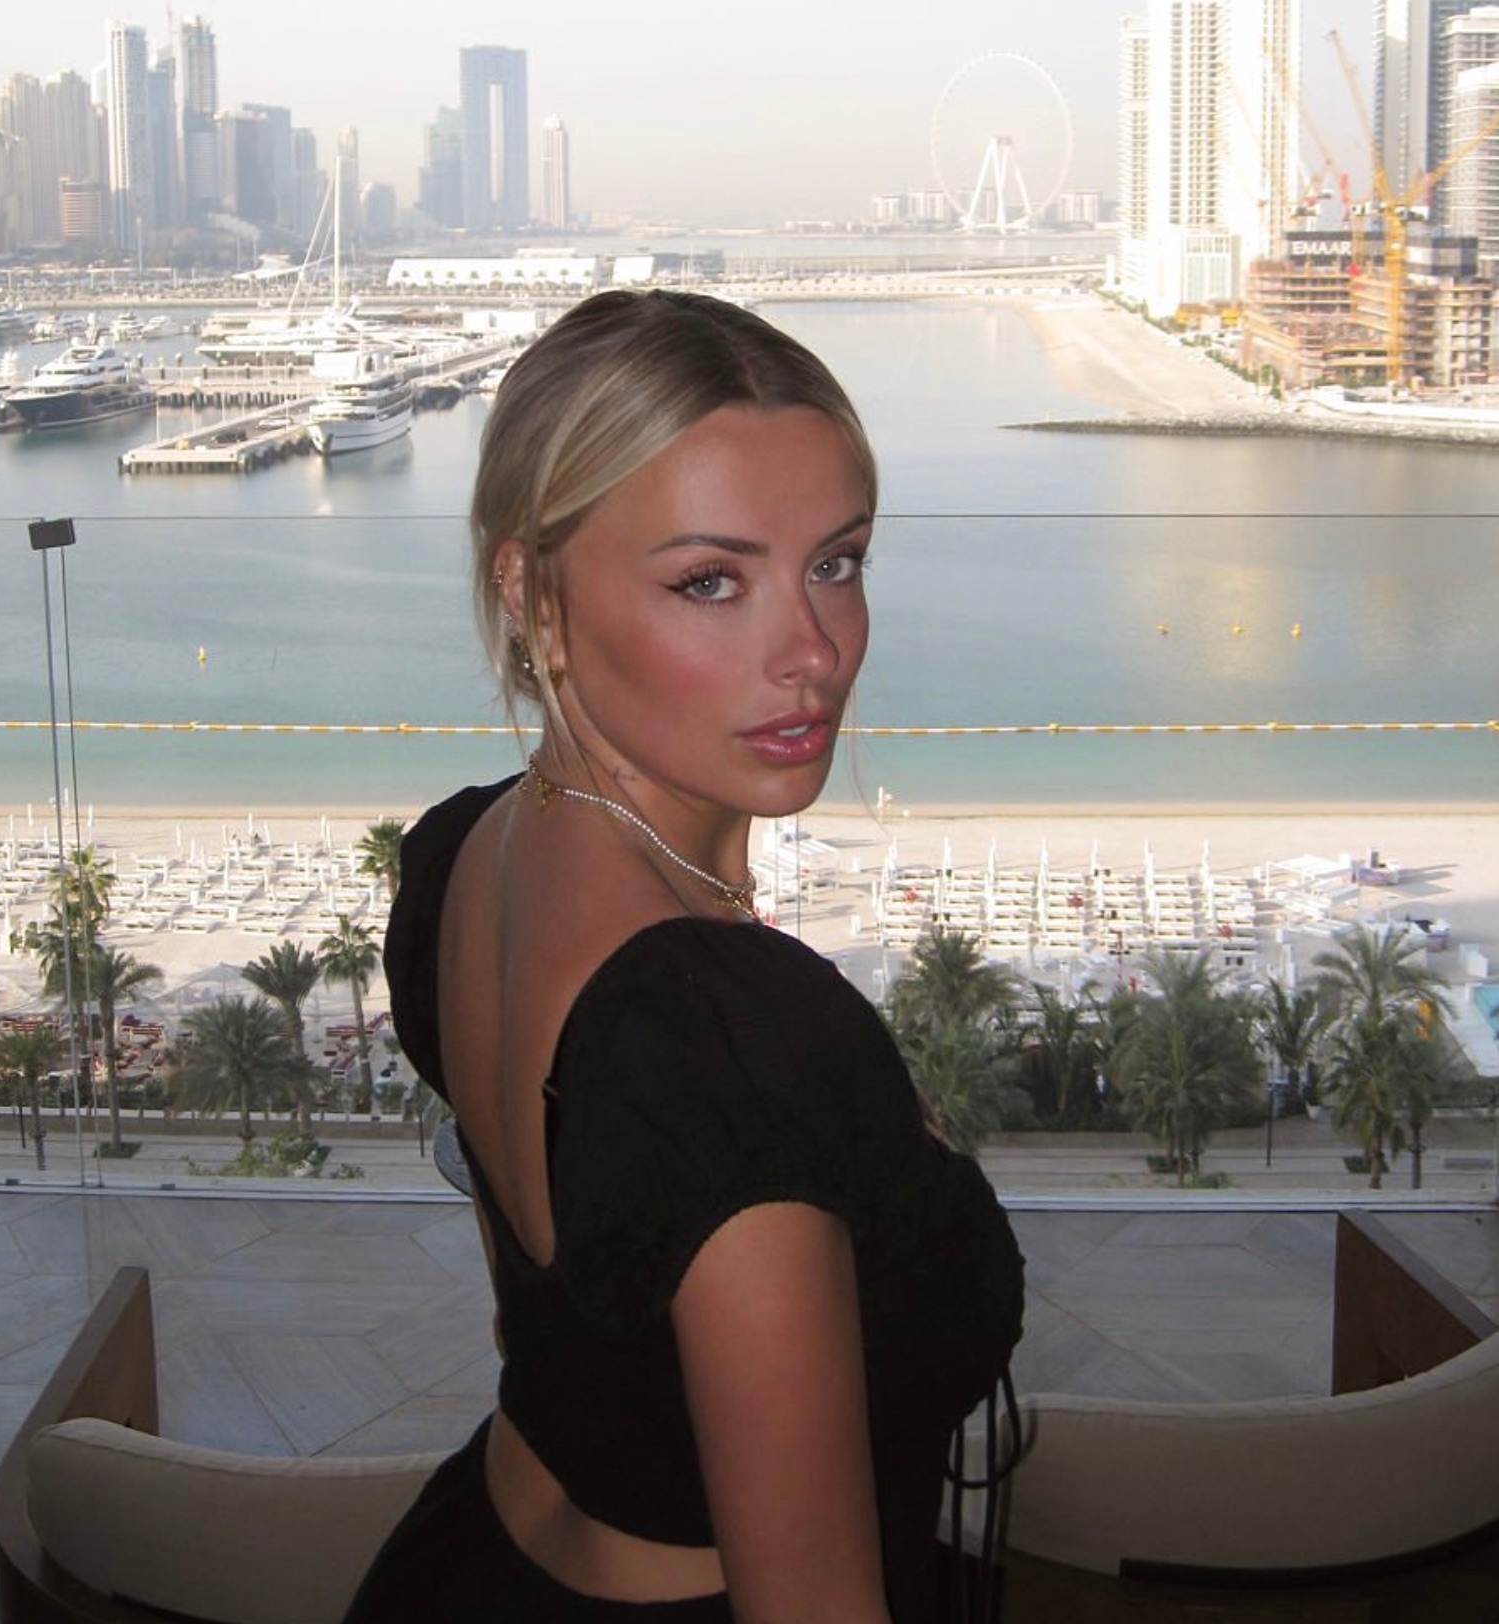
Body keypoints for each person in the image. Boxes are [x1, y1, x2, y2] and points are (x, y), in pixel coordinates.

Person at [345, 289, 1024, 1624]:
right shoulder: (727, 1046)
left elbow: (564, 1327)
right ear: (532, 594)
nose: (812, 652)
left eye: (836, 563)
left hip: (477, 1555)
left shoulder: (466, 854)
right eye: (711, 581)